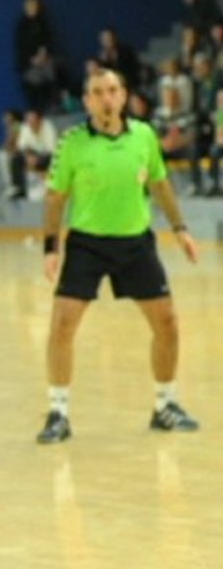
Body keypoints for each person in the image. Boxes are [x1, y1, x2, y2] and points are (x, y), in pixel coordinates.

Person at [37, 69, 200, 444]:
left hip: (135, 243)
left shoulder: (143, 136)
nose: (106, 98)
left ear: (124, 96)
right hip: (87, 245)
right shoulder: (72, 142)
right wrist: (51, 247)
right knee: (62, 324)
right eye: (97, 92)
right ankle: (58, 412)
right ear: (87, 100)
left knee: (168, 323)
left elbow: (159, 183)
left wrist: (180, 229)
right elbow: (56, 198)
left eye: (112, 90)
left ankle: (166, 406)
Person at [9, 108, 57, 200]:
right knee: (16, 159)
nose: (30, 123)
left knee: (50, 159)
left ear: (40, 120)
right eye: (28, 120)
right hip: (32, 154)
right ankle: (19, 189)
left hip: (47, 155)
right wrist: (28, 156)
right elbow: (22, 146)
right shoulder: (25, 128)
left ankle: (50, 186)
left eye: (33, 120)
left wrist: (37, 158)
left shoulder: (48, 126)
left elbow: (51, 149)